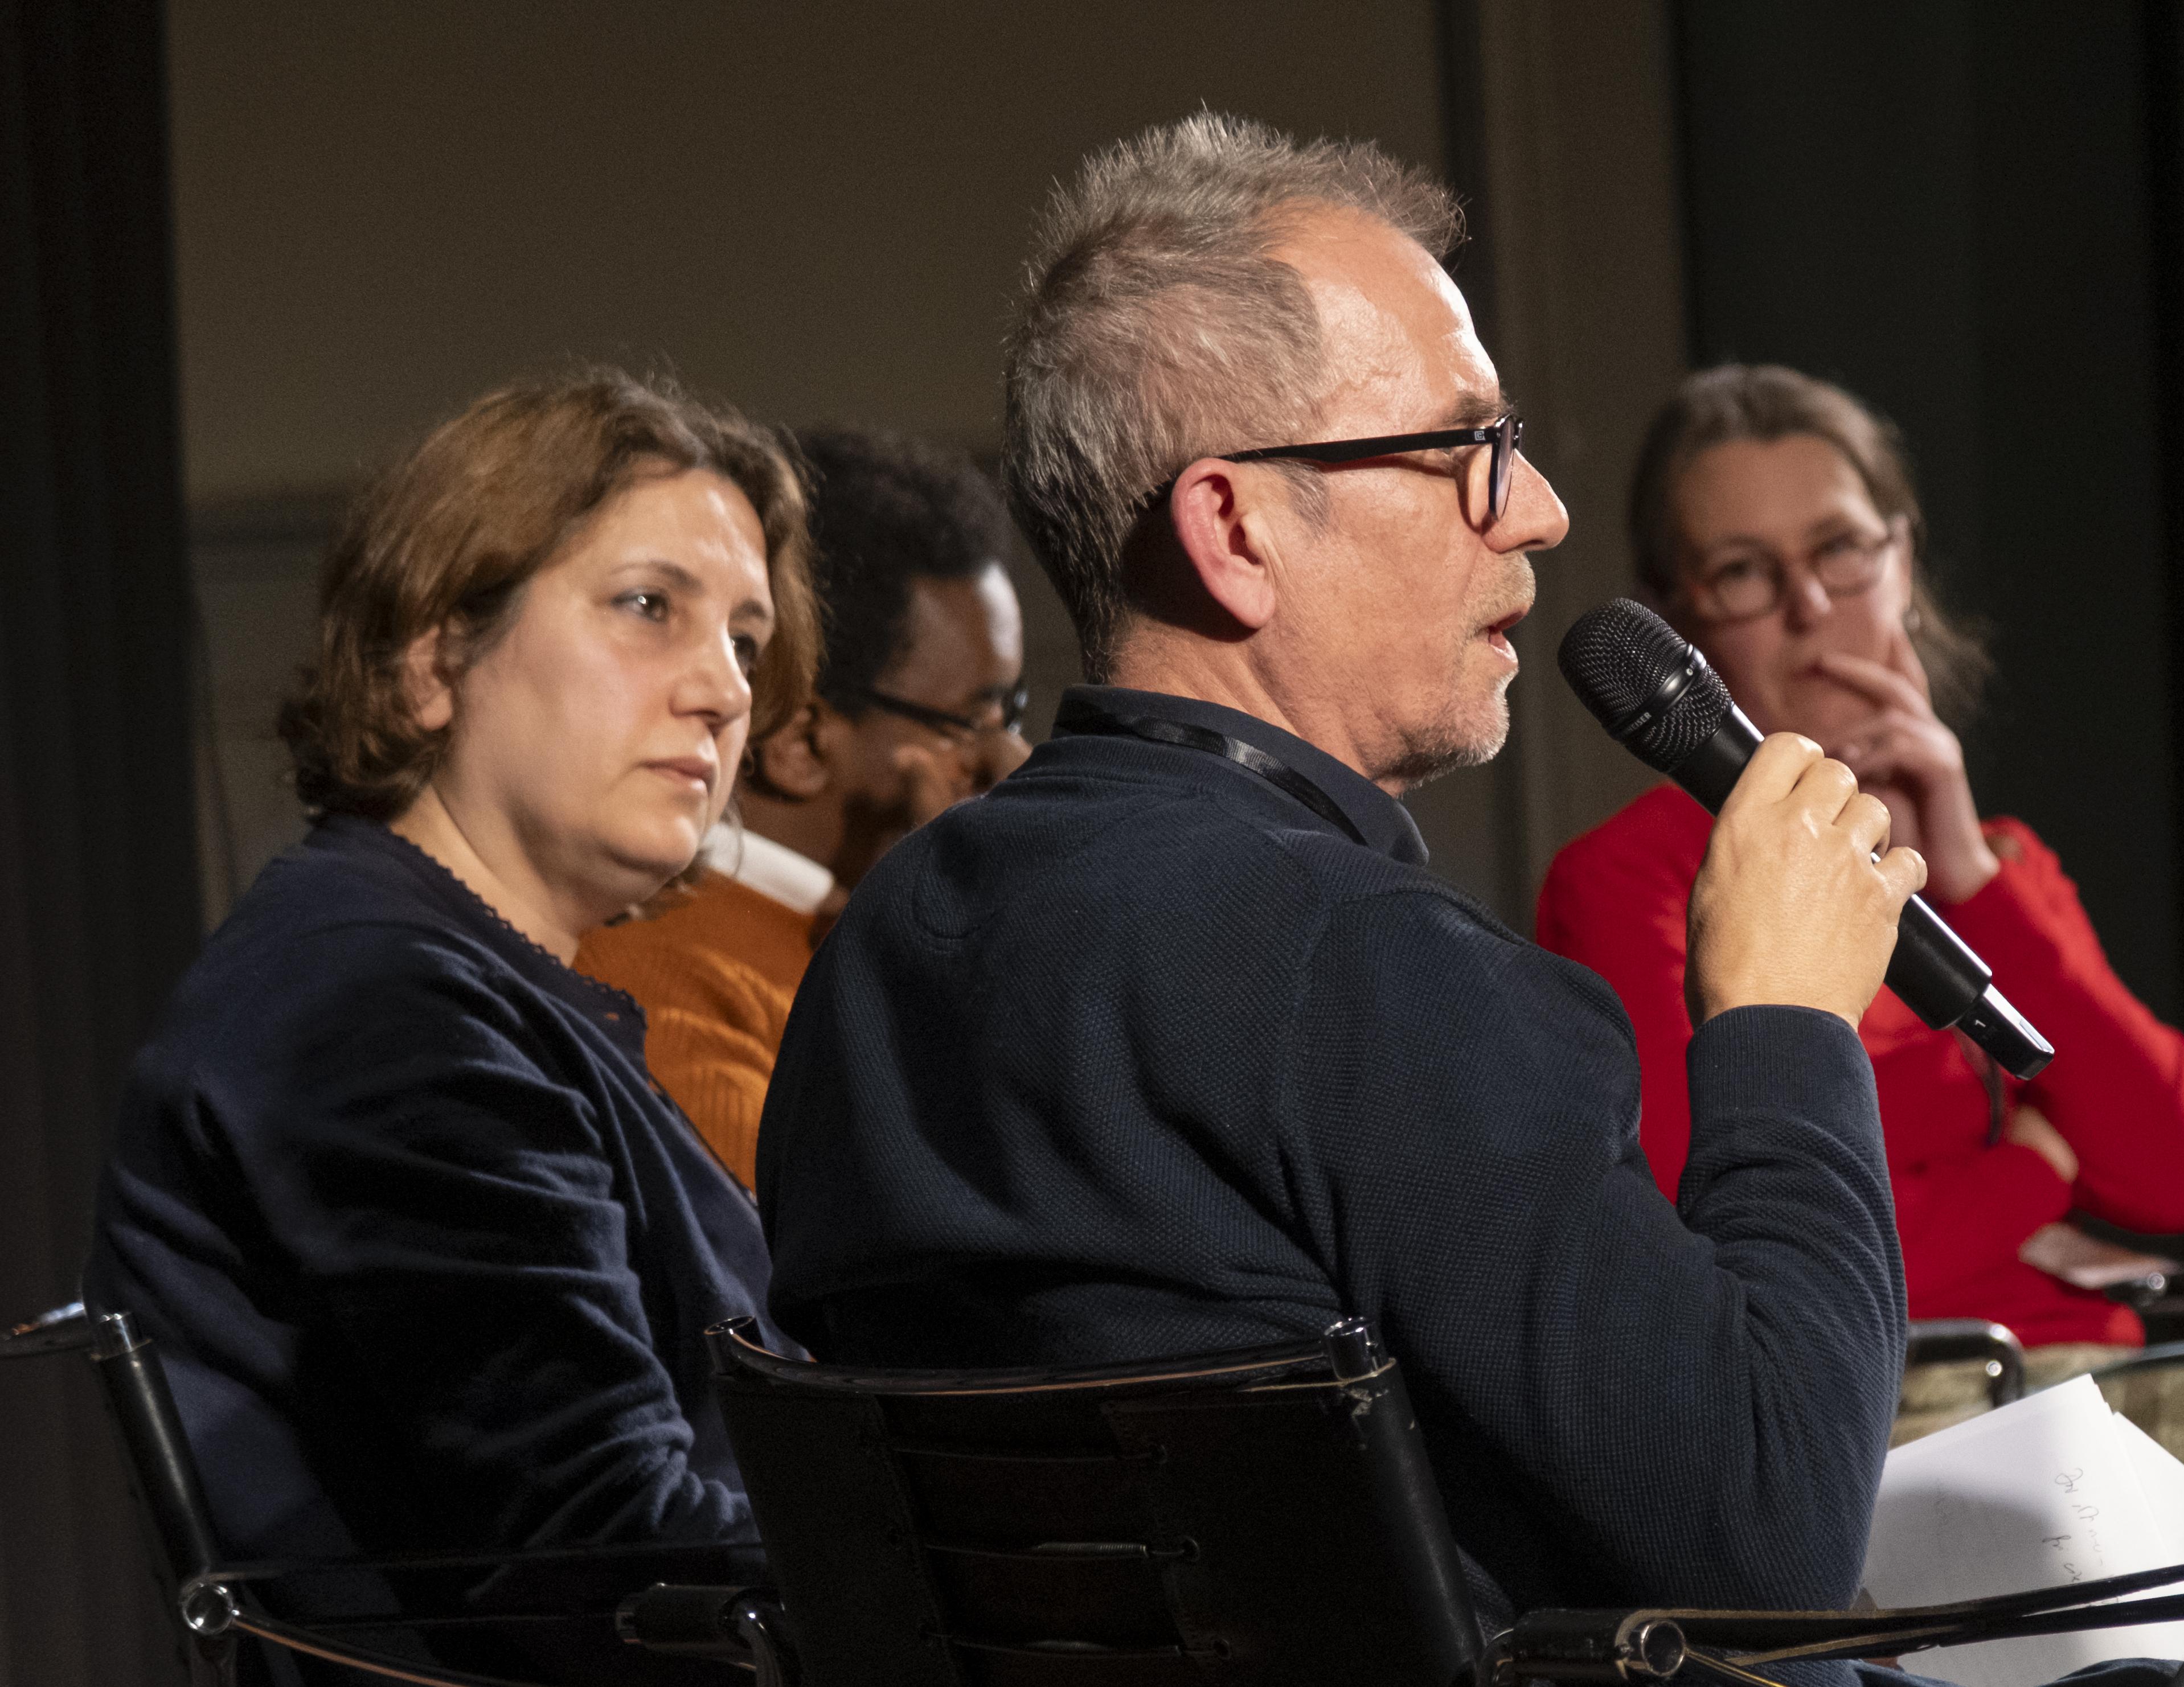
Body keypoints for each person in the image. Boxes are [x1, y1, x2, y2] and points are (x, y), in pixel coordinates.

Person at [756, 113, 1942, 1677]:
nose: (1536, 513)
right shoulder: (1358, 966)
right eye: (1465, 449)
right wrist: (1784, 1019)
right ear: (1235, 529)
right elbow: (1774, 1542)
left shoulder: (876, 950)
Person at [87, 370, 817, 1678]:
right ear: (433, 660)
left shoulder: (457, 980)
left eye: (746, 641)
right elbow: (611, 1559)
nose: (722, 690)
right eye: (650, 608)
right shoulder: (373, 1000)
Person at [1536, 365, 2184, 1353]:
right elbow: (1734, 1250)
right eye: (1742, 571)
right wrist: (2034, 1173)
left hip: (2094, 1373)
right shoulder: (1631, 877)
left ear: (1900, 560)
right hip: (1900, 1406)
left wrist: (1966, 872)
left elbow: (2172, 1175)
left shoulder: (1992, 867)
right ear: (1676, 620)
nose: (1810, 603)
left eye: (1841, 550)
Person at [577, 426, 1027, 1188]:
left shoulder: (860, 945)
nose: (1010, 761)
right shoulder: (655, 983)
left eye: (1012, 712)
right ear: (797, 743)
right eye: (970, 721)